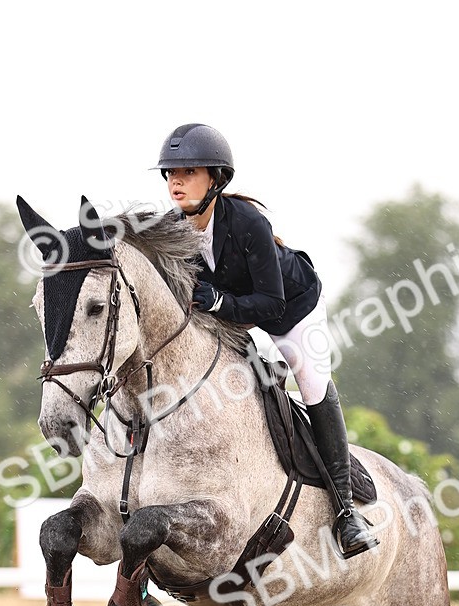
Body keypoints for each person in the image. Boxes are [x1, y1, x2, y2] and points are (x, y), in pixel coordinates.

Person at [155, 122, 378, 558]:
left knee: (313, 386)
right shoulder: (173, 228)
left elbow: (271, 304)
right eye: (170, 173)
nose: (175, 181)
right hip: (234, 315)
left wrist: (219, 303)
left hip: (292, 307)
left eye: (188, 171)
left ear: (216, 178)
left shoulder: (248, 222)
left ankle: (347, 512)